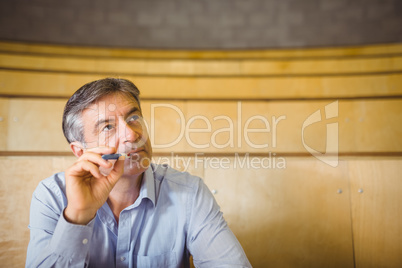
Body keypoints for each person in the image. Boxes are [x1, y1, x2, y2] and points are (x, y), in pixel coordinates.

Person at [26, 78, 251, 268]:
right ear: (80, 150)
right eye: (108, 126)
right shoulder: (51, 196)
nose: (133, 135)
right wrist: (77, 216)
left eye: (134, 118)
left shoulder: (190, 193)